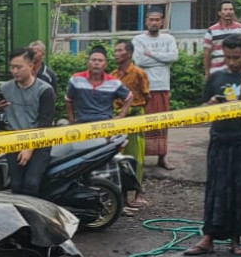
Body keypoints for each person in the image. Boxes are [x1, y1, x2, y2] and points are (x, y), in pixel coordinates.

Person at [184, 33, 241, 257]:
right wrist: (209, 105)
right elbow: (202, 108)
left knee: (239, 189)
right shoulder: (215, 78)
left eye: (236, 57)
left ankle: (236, 239)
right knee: (214, 188)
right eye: (227, 57)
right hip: (219, 137)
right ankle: (208, 236)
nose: (231, 62)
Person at [0, 48, 56, 197]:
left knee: (31, 183)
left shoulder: (45, 90)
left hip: (40, 142)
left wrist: (29, 148)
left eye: (19, 67)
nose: (14, 71)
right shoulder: (5, 88)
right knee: (16, 185)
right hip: (14, 141)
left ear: (31, 66)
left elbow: (45, 124)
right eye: (12, 67)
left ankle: (35, 217)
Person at [133, 10, 179, 170]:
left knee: (162, 123)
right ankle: (141, 157)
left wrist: (151, 54)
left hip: (162, 86)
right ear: (146, 21)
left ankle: (162, 157)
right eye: (151, 19)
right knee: (143, 123)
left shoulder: (168, 38)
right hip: (144, 88)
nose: (154, 22)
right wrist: (162, 59)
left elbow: (173, 57)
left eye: (157, 20)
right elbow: (139, 60)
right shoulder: (138, 39)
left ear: (162, 22)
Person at [113, 39, 150, 208]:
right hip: (118, 117)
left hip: (135, 114)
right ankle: (122, 195)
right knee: (119, 155)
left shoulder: (138, 73)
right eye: (115, 51)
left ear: (129, 53)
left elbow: (146, 96)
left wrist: (135, 112)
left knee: (137, 156)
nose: (116, 53)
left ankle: (138, 192)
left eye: (120, 50)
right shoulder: (113, 75)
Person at [65, 46, 131, 124]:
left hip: (105, 125)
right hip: (82, 124)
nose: (96, 63)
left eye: (100, 60)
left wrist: (121, 116)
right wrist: (72, 122)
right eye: (93, 60)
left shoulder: (114, 82)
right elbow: (68, 100)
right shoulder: (76, 79)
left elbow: (129, 97)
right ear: (88, 63)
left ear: (105, 64)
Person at [201, 0, 241, 78]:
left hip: (236, 71)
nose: (228, 12)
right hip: (216, 71)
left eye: (231, 9)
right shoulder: (211, 31)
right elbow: (207, 54)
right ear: (219, 13)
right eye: (225, 9)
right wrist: (207, 72)